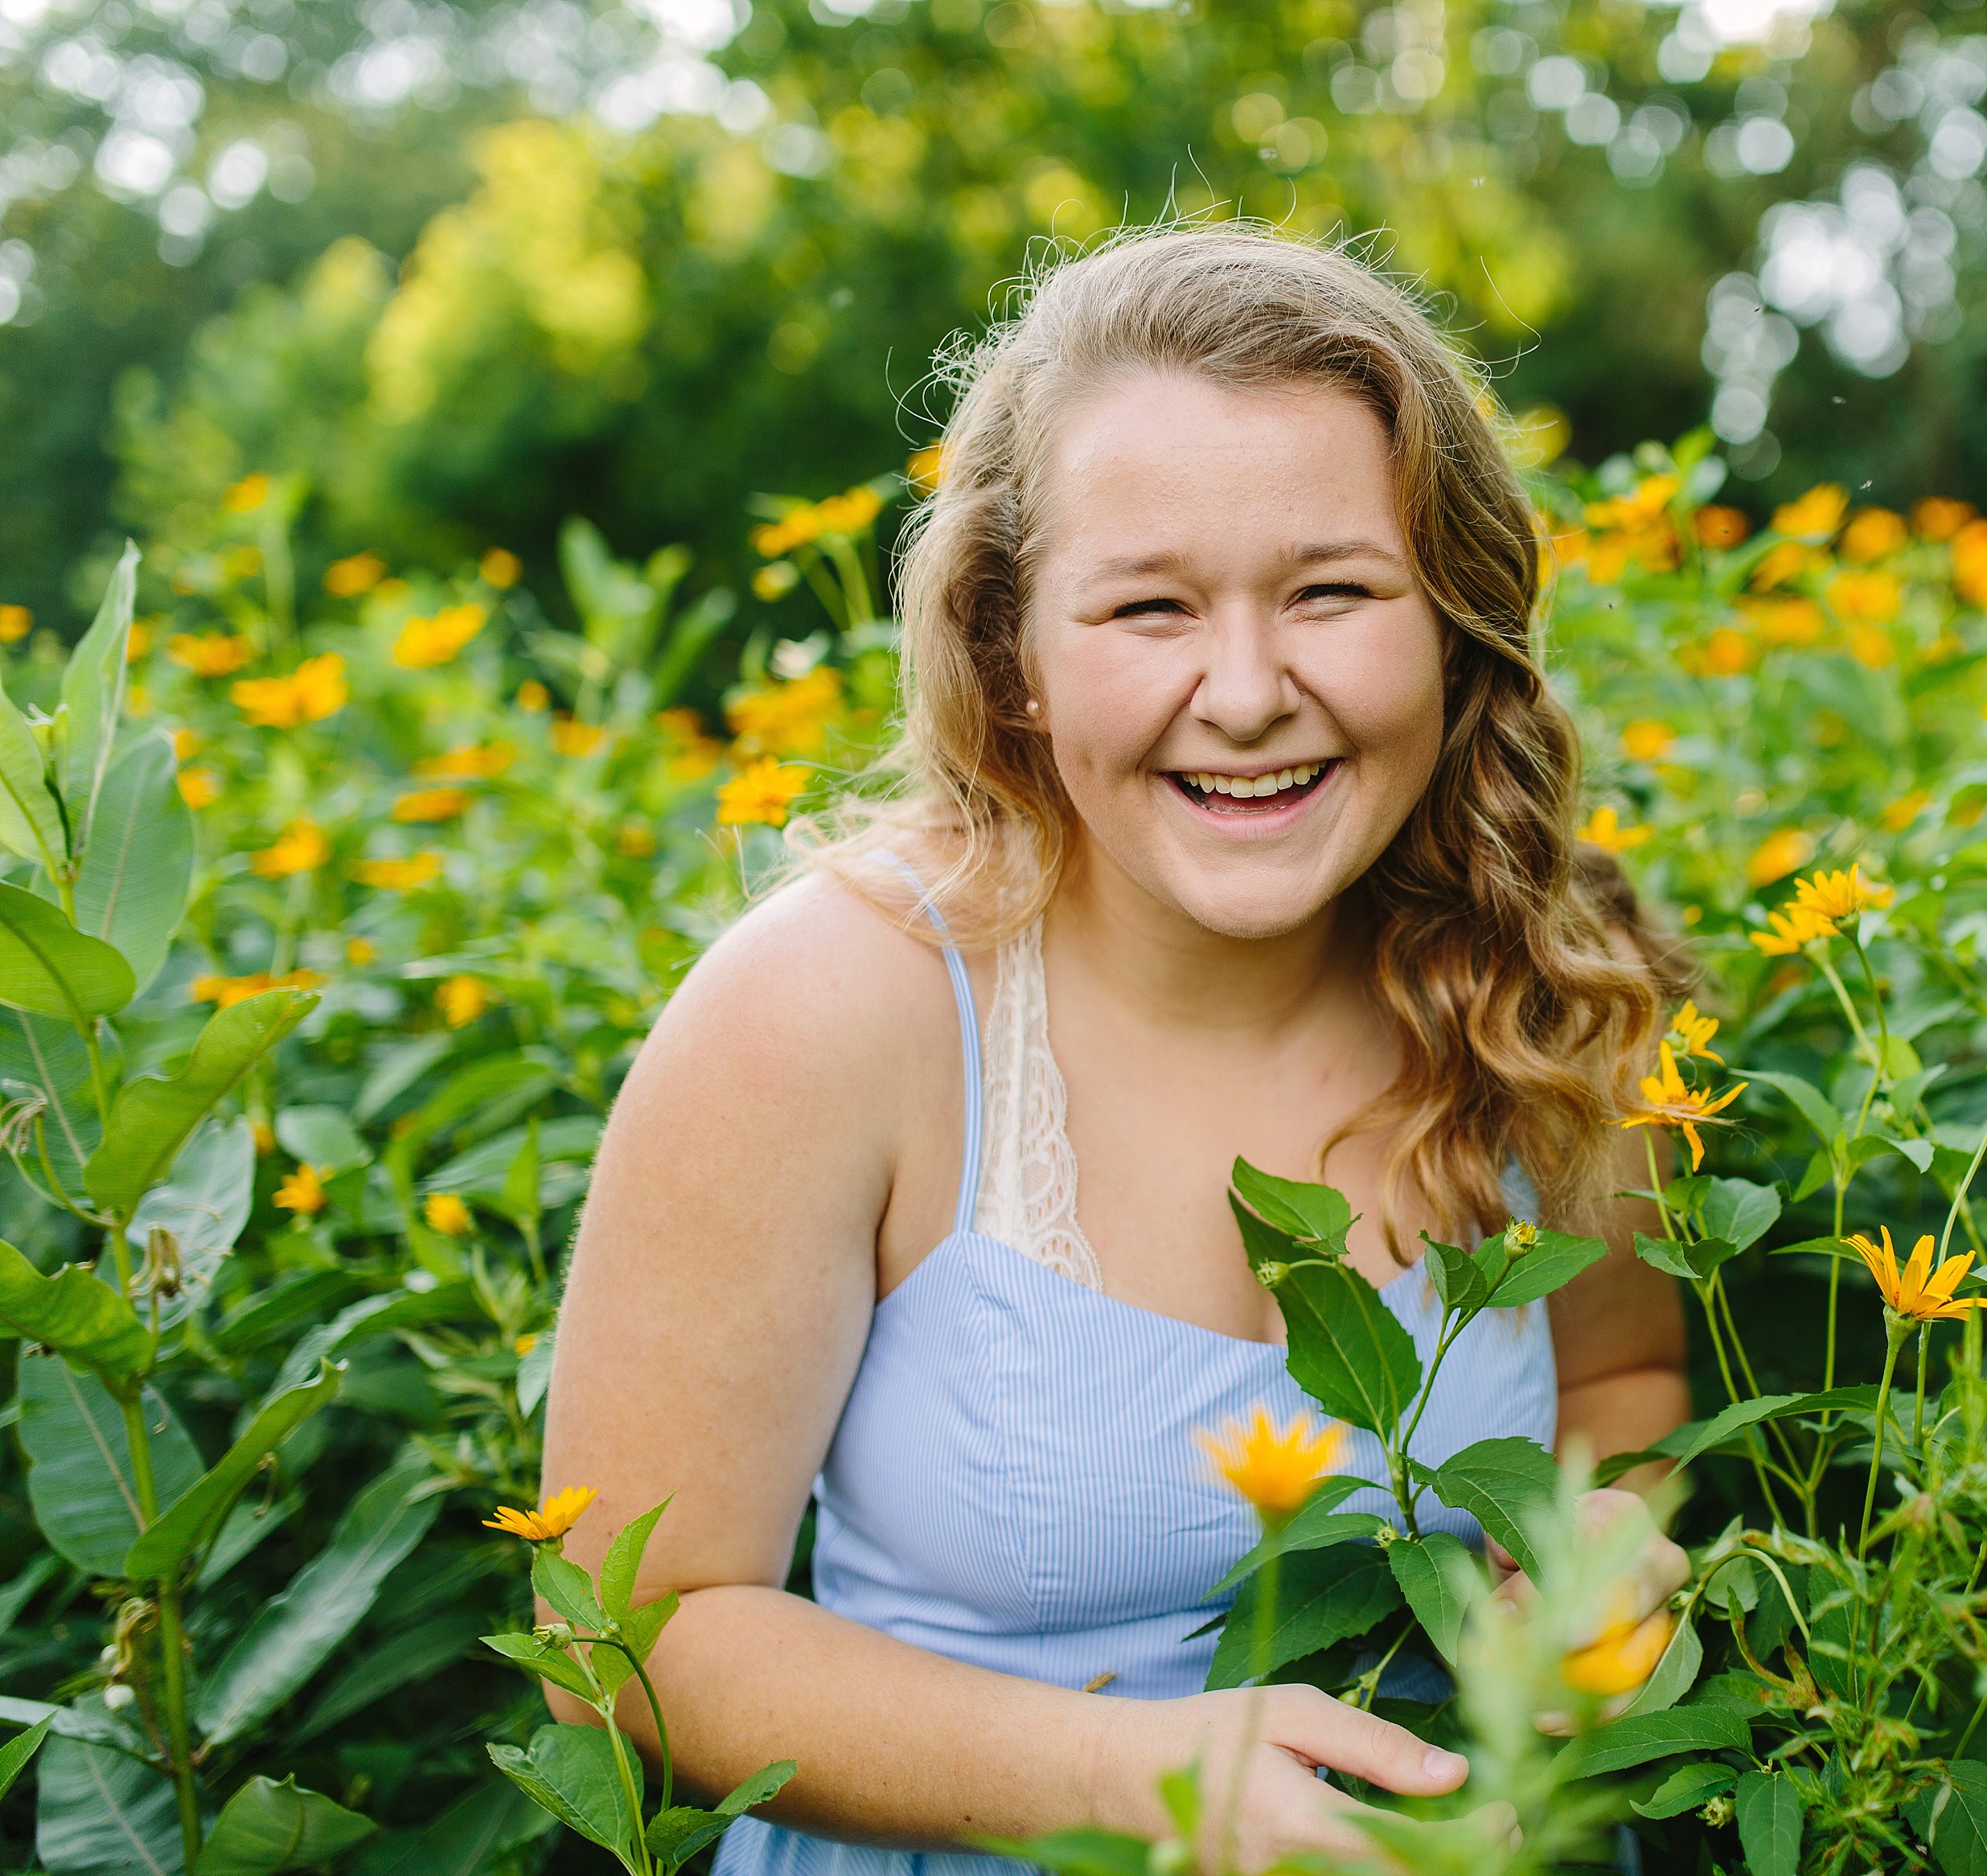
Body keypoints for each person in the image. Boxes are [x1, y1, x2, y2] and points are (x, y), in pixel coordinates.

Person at [540, 223, 1697, 1875]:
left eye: (1332, 592)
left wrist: (1600, 1540)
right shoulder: (830, 1011)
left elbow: (1622, 1382)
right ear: (1011, 654)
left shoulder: (1544, 988)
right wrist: (1124, 1778)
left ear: (1454, 625)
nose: (1245, 692)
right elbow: (620, 1635)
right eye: (1147, 605)